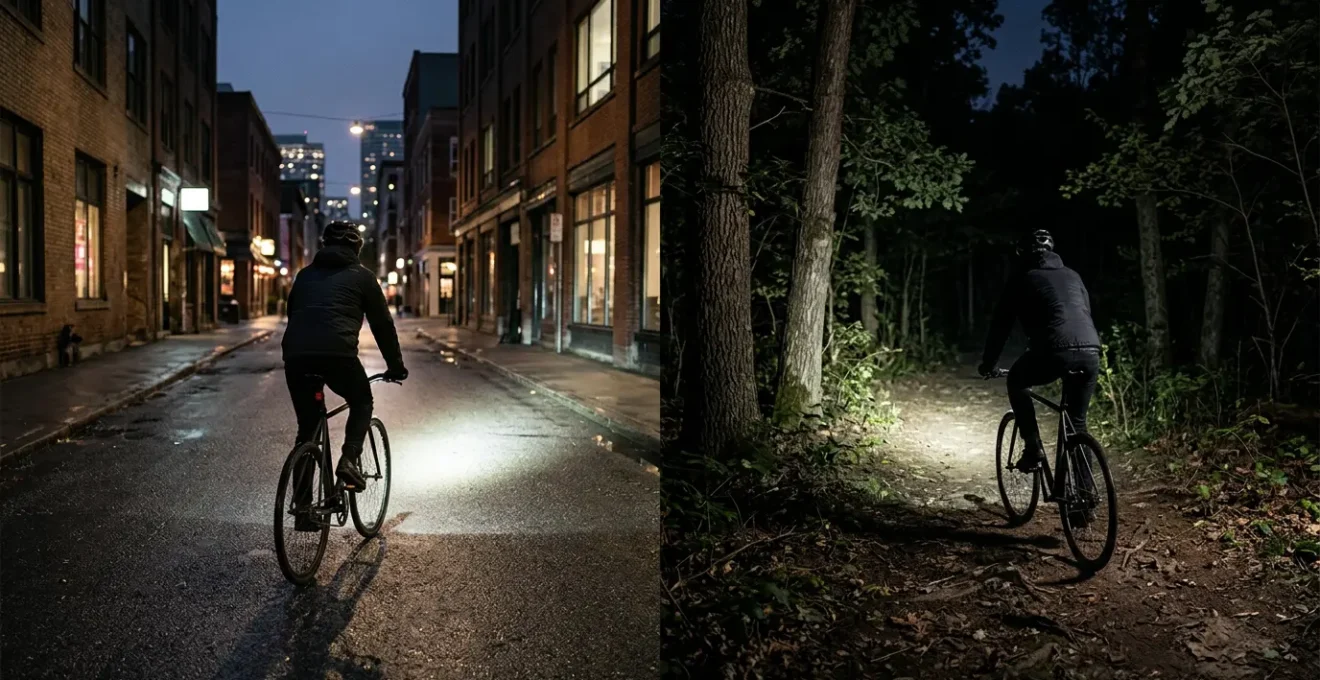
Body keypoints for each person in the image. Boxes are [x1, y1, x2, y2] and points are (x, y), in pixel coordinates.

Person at [282, 221, 408, 511]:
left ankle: (303, 510)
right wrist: (395, 365)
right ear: (356, 248)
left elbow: (293, 314)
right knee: (362, 400)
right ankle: (349, 459)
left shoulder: (304, 275)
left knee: (307, 429)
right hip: (337, 355)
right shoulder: (363, 277)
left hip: (297, 357)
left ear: (324, 245)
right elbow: (382, 325)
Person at [978, 229, 1101, 471]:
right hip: (1090, 350)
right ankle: (1084, 494)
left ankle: (1033, 448)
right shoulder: (1073, 275)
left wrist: (989, 363)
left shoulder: (1022, 278)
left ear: (1022, 254)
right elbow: (1084, 311)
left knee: (1016, 380)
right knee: (1077, 424)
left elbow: (1001, 325)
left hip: (1055, 351)